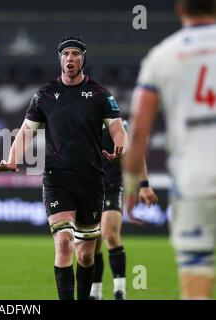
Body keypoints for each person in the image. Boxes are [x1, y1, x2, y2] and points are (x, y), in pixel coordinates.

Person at [0, 36, 129, 300]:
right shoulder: (44, 95)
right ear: (60, 59)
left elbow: (117, 128)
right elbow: (25, 132)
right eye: (66, 54)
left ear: (83, 59)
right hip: (57, 180)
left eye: (75, 54)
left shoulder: (100, 94)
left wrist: (120, 148)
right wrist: (12, 159)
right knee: (64, 243)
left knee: (86, 254)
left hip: (91, 180)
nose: (70, 59)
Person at [123, 0, 216, 300]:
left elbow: (139, 130)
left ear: (179, 9)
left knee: (196, 279)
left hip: (195, 183)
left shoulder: (161, 56)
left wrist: (132, 184)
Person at [90, 120, 158, 300]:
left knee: (109, 234)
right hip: (88, 187)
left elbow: (135, 153)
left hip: (112, 184)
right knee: (92, 242)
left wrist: (143, 185)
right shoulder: (80, 122)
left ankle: (119, 291)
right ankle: (95, 293)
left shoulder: (117, 125)